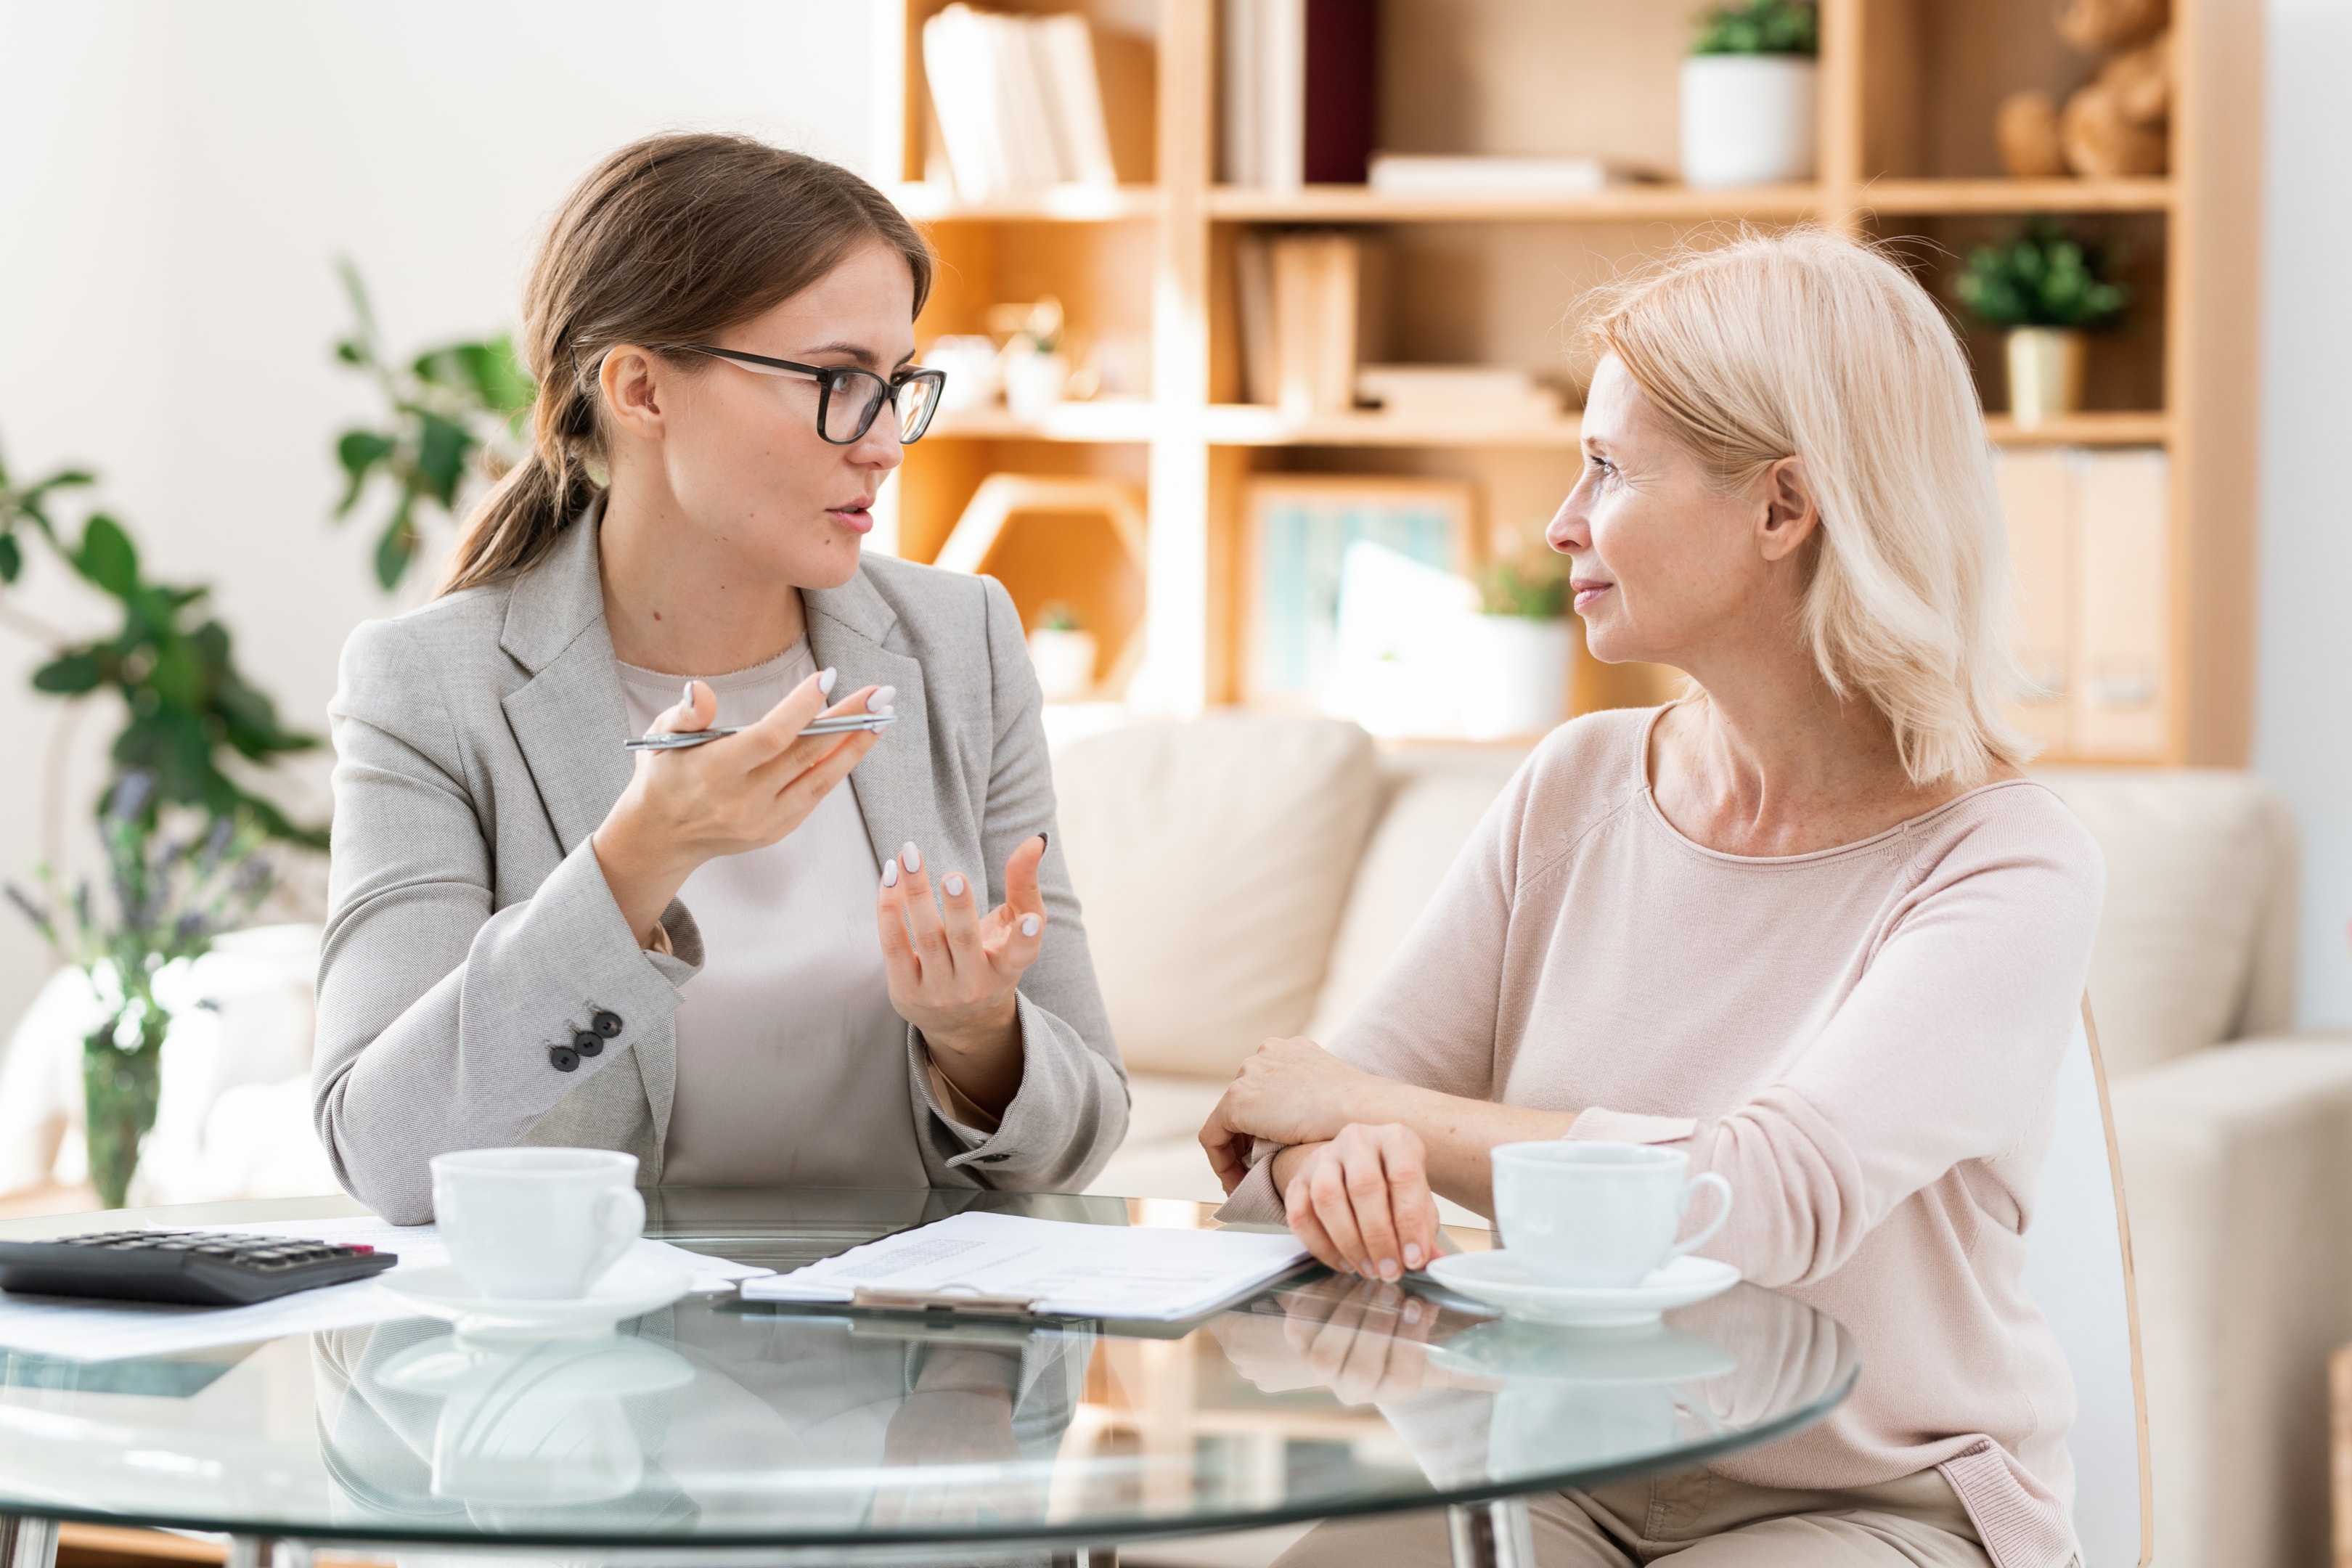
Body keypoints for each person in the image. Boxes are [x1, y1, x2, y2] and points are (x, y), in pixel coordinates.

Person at [1198, 231, 2104, 1568]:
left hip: (1865, 1500)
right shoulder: (1576, 783)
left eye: (1610, 470)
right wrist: (1334, 1158)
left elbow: (1769, 1199)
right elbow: (1307, 1119)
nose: (1562, 522)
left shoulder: (2004, 861)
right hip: (1552, 1464)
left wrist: (1369, 1113)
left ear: (1782, 508)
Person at [314, 134, 1125, 1227]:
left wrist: (979, 1037)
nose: (886, 443)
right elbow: (391, 1159)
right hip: (590, 1381)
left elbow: (1084, 1137)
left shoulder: (959, 643)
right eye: (841, 382)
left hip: (912, 1371)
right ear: (641, 388)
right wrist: (636, 863)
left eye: (897, 387)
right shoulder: (432, 688)